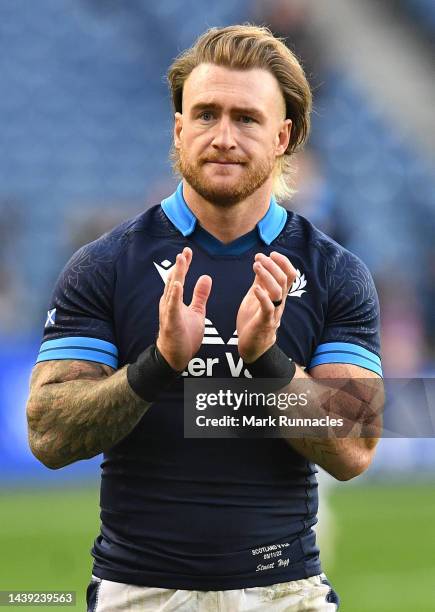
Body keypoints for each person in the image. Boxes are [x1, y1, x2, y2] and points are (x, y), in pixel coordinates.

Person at [26, 25, 383, 612]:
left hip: (282, 592)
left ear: (283, 136)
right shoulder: (106, 265)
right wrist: (158, 365)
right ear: (178, 128)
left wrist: (267, 362)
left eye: (246, 117)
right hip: (139, 592)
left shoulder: (334, 273)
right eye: (206, 114)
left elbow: (354, 449)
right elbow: (48, 434)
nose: (223, 136)